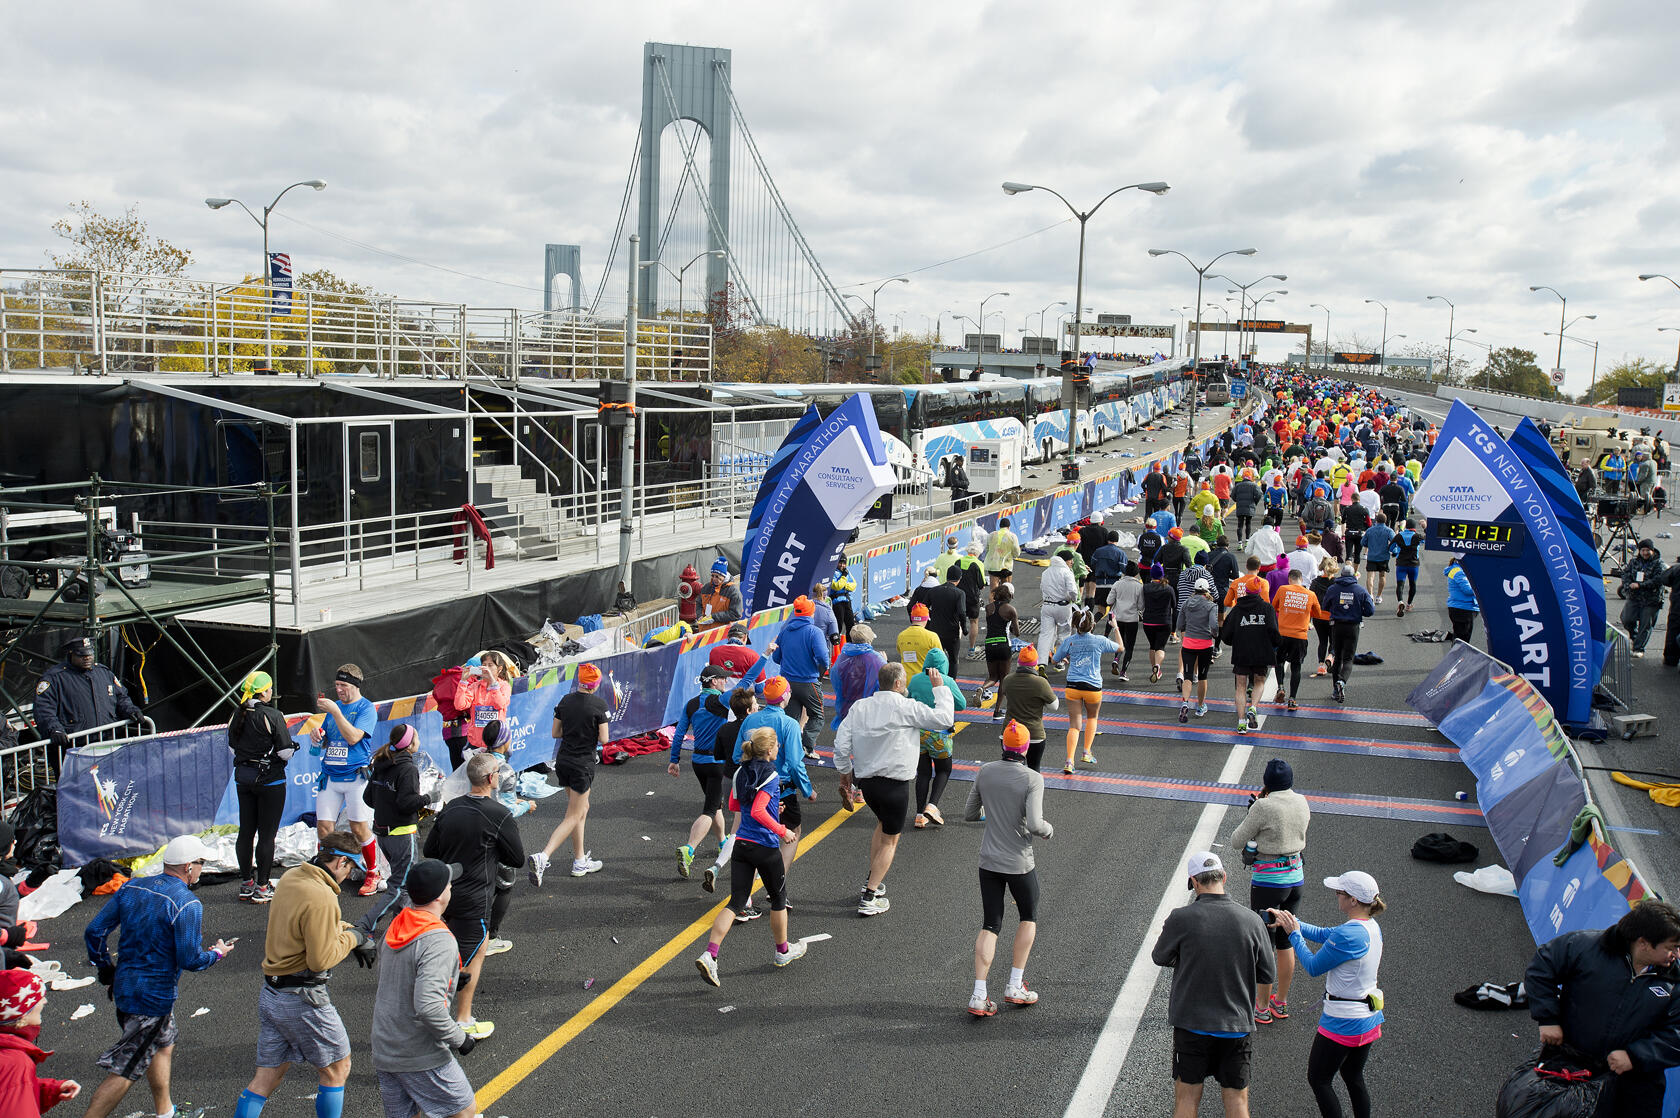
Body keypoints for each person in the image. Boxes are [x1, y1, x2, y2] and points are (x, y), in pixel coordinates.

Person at [81, 834, 235, 1118]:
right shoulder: (188, 904)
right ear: (188, 867)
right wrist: (217, 954)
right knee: (125, 1070)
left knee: (164, 1044)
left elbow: (95, 931)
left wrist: (105, 968)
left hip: (125, 987)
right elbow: (190, 960)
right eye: (201, 863)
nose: (203, 869)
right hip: (153, 999)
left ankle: (166, 1114)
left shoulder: (132, 887)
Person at [234, 833, 374, 1118]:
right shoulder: (322, 897)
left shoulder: (292, 877)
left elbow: (311, 924)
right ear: (341, 861)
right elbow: (320, 958)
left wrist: (349, 932)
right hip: (302, 998)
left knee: (267, 1077)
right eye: (350, 868)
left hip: (271, 995)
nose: (349, 876)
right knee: (338, 1068)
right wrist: (354, 939)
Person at [1525, 899, 1680, 1117]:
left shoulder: (1675, 981)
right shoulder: (1585, 946)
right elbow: (1542, 969)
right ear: (1644, 943)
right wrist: (1547, 1018)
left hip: (1633, 1083)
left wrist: (1635, 1057)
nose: (1677, 954)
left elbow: (1677, 1035)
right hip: (1571, 1064)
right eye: (1671, 948)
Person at [1151, 851, 1275, 1118]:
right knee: (1238, 1102)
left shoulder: (1181, 918)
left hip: (1192, 1024)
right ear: (1224, 877)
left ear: (1195, 882)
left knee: (1186, 1099)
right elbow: (1267, 972)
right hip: (1236, 1026)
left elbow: (1159, 956)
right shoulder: (1253, 921)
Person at [832, 662, 955, 917]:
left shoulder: (860, 707)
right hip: (895, 786)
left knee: (881, 825)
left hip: (867, 784)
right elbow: (944, 719)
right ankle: (869, 895)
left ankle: (872, 881)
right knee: (891, 840)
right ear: (898, 684)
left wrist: (846, 777)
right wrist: (939, 689)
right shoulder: (906, 707)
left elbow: (842, 745)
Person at [694, 727, 808, 987]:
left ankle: (710, 954)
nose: (778, 747)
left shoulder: (740, 771)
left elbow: (736, 806)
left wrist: (771, 806)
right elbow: (757, 811)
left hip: (742, 845)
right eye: (776, 745)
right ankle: (782, 951)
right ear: (769, 751)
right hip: (765, 847)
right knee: (778, 899)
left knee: (735, 902)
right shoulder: (771, 774)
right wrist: (782, 829)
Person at [1270, 872, 1387, 1118]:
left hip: (1343, 1022)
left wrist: (1293, 934)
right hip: (1368, 1017)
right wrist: (1291, 920)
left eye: (1339, 893)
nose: (1336, 895)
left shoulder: (1349, 934)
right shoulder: (1369, 926)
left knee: (1319, 1079)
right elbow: (1323, 934)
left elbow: (1313, 966)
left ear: (1353, 900)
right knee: (1353, 1076)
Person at [424, 753, 524, 1040]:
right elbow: (516, 858)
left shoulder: (451, 807)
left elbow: (431, 849)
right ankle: (462, 1020)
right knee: (471, 959)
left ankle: (441, 1016)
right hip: (475, 897)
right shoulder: (498, 814)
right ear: (492, 779)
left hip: (444, 895)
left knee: (445, 955)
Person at [370, 860, 478, 1118]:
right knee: (463, 1110)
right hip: (418, 1051)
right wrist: (459, 1039)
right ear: (441, 896)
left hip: (385, 1045)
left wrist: (449, 977)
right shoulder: (438, 940)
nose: (452, 886)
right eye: (449, 883)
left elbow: (396, 972)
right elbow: (429, 1008)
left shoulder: (398, 925)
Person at [964, 721, 1053, 1017]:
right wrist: (1048, 831)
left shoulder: (985, 771)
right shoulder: (1032, 778)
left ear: (1004, 745)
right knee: (1028, 916)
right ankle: (1015, 985)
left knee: (991, 923)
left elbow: (969, 813)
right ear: (1026, 748)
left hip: (988, 860)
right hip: (1019, 861)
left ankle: (979, 994)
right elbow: (1037, 823)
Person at [1229, 759, 1311, 1024]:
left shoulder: (1263, 806)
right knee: (1286, 940)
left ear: (1266, 783)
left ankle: (1261, 1006)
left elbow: (1236, 841)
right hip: (1295, 878)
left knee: (1265, 943)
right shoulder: (1302, 801)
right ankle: (1281, 1002)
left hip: (1268, 883)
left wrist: (1253, 813)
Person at [528, 663, 611, 886]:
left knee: (581, 809)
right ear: (595, 684)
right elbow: (604, 739)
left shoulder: (565, 701)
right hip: (582, 763)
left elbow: (556, 732)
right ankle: (543, 856)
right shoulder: (599, 705)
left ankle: (579, 860)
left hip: (563, 760)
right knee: (574, 814)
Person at [310, 664, 381, 895]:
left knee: (358, 828)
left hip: (355, 777)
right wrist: (317, 737)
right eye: (337, 685)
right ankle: (325, 870)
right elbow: (327, 740)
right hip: (330, 775)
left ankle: (373, 871)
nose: (338, 690)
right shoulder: (335, 708)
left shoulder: (366, 708)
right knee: (324, 827)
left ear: (355, 685)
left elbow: (352, 738)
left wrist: (336, 712)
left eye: (343, 685)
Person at [228, 671, 296, 905]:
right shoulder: (273, 715)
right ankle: (263, 887)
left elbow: (232, 747)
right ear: (264, 691)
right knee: (267, 835)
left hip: (243, 779)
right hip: (270, 781)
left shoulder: (238, 713)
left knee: (246, 831)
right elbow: (285, 751)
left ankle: (246, 883)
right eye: (269, 689)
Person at [357, 726, 432, 936]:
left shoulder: (382, 762)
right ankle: (365, 925)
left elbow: (368, 798)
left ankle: (401, 926)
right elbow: (407, 803)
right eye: (417, 737)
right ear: (410, 744)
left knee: (405, 883)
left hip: (382, 833)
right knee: (399, 886)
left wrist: (386, 805)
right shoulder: (408, 768)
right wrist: (427, 798)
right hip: (401, 833)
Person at [31, 635, 144, 760]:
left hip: (107, 740)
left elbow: (121, 698)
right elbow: (43, 709)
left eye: (90, 654)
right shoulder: (55, 678)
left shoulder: (103, 673)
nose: (87, 658)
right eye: (82, 655)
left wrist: (131, 711)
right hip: (74, 746)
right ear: (71, 655)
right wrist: (54, 729)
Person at [0, 968, 79, 1116]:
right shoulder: (15, 1064)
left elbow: (9, 1091)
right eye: (37, 999)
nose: (44, 1000)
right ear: (22, 1016)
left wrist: (50, 1089)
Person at [1053, 610, 1119, 773]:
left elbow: (1054, 659)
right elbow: (1121, 647)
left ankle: (1069, 761)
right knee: (1092, 718)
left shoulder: (1069, 641)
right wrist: (1115, 628)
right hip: (1093, 687)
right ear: (1093, 625)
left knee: (1074, 726)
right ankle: (1086, 752)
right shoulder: (1100, 641)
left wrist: (1065, 657)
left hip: (1073, 686)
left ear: (1075, 625)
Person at [910, 648, 968, 828]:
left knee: (923, 773)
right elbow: (962, 704)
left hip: (919, 733)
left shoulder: (915, 679)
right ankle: (932, 805)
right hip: (940, 734)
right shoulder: (948, 681)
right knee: (943, 770)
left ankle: (919, 814)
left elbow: (909, 698)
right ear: (944, 664)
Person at [768, 595, 829, 761]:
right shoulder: (814, 632)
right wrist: (821, 668)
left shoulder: (785, 631)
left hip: (787, 683)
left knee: (791, 719)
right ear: (811, 614)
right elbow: (823, 657)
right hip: (808, 682)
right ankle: (807, 747)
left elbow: (776, 657)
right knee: (817, 715)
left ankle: (790, 749)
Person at [1221, 585, 1279, 734]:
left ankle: (1241, 722)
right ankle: (1253, 707)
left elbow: (1226, 632)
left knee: (1240, 686)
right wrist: (1277, 643)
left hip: (1242, 651)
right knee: (1259, 681)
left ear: (1245, 591)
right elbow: (1273, 629)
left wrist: (1233, 641)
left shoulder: (1237, 608)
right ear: (1259, 591)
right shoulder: (1267, 608)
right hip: (1261, 651)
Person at [1272, 569, 1329, 710]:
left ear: (1289, 580)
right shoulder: (1310, 594)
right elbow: (1317, 613)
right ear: (1301, 580)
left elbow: (1274, 607)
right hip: (1299, 636)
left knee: (1279, 661)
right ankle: (1292, 699)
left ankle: (1280, 687)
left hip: (1282, 633)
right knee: (1296, 667)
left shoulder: (1283, 589)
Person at [996, 647, 1057, 772]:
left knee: (1012, 770)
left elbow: (1007, 694)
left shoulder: (1008, 679)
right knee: (1034, 770)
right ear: (1035, 664)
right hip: (1034, 734)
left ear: (1018, 662)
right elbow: (1054, 706)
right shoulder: (1040, 683)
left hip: (1009, 733)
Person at [1325, 564, 1375, 704]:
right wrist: (1359, 612)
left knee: (1338, 658)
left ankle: (1336, 690)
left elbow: (1325, 606)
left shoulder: (1333, 588)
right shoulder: (1360, 590)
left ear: (1341, 575)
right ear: (1353, 576)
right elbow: (1370, 611)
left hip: (1337, 626)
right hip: (1353, 627)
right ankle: (1342, 681)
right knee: (1348, 658)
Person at [1175, 579, 1219, 724]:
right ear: (1207, 591)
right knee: (1202, 677)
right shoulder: (1211, 605)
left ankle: (1185, 703)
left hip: (1188, 644)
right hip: (1205, 645)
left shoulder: (1186, 603)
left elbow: (1180, 624)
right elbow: (1213, 624)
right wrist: (1215, 633)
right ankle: (1200, 706)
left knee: (1188, 677)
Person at [831, 624, 886, 725]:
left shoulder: (842, 657)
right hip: (869, 711)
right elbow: (885, 682)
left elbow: (835, 678)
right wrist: (885, 663)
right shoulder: (876, 659)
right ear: (869, 640)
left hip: (846, 708)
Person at [1621, 539, 1665, 657]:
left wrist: (1640, 585)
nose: (1645, 553)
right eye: (1643, 550)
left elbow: (1658, 580)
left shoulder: (1659, 563)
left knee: (1645, 625)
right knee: (1627, 619)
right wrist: (1628, 585)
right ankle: (1634, 637)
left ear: (1652, 550)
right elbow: (1625, 574)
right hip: (1634, 597)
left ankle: (1638, 648)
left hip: (1651, 600)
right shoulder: (1634, 562)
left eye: (1647, 550)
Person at [1036, 552, 1079, 666]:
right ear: (1064, 561)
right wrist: (1073, 599)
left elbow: (1042, 588)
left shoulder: (1045, 572)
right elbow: (1073, 591)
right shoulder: (1066, 572)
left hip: (1047, 606)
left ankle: (1041, 662)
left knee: (1045, 635)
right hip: (1063, 607)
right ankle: (1059, 661)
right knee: (1064, 634)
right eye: (1070, 560)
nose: (1072, 562)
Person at [979, 584, 1019, 703]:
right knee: (1003, 679)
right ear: (1009, 596)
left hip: (989, 644)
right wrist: (1012, 626)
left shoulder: (988, 607)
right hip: (1003, 645)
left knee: (993, 677)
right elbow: (1017, 633)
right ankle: (997, 711)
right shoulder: (1010, 609)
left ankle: (982, 688)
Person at [1108, 561, 1143, 681]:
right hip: (1132, 619)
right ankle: (1123, 672)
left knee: (1119, 642)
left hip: (1118, 618)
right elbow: (1141, 606)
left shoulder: (1118, 584)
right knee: (1129, 646)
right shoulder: (1139, 586)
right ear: (1137, 573)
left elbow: (1109, 601)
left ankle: (1116, 659)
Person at [1140, 563, 1175, 683]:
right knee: (1160, 647)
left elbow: (1142, 603)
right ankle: (1158, 666)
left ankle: (1154, 669)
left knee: (1152, 646)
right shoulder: (1169, 588)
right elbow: (1174, 605)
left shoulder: (1145, 587)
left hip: (1148, 622)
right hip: (1164, 621)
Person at [708, 622, 765, 690]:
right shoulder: (752, 655)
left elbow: (711, 677)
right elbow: (760, 686)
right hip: (743, 698)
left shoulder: (714, 652)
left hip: (720, 697)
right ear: (744, 638)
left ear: (728, 638)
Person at [956, 542, 988, 657]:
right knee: (974, 622)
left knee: (958, 623)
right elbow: (982, 584)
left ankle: (954, 648)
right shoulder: (978, 563)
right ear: (978, 552)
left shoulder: (958, 561)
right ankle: (971, 648)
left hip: (958, 597)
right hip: (972, 598)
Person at [1389, 520, 1423, 617]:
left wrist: (1396, 552)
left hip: (1401, 564)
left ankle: (1400, 601)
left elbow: (1390, 547)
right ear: (1414, 528)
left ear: (1406, 527)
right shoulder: (1417, 536)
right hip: (1414, 564)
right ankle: (1409, 604)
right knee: (1413, 584)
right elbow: (1429, 539)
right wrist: (1425, 527)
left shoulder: (1399, 535)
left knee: (1400, 584)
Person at [1444, 556, 1481, 643]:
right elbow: (1467, 590)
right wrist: (1482, 586)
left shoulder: (1459, 569)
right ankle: (1457, 656)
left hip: (1463, 608)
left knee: (1460, 640)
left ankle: (1457, 656)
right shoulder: (1459, 571)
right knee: (1462, 642)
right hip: (1463, 609)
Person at [898, 603, 943, 672]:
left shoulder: (901, 635)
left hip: (905, 678)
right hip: (924, 678)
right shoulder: (932, 636)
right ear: (927, 618)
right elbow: (940, 658)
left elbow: (900, 651)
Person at [700, 557, 744, 625]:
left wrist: (714, 617)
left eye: (717, 576)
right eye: (712, 576)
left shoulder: (733, 592)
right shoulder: (707, 587)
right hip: (704, 629)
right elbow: (698, 602)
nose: (714, 579)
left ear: (724, 576)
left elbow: (736, 614)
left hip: (722, 632)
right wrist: (699, 615)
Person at [985, 517, 1021, 590]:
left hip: (993, 565)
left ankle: (993, 600)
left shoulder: (991, 535)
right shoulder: (1012, 536)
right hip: (1006, 565)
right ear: (1009, 527)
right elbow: (1016, 551)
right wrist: (1013, 556)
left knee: (993, 591)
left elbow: (987, 549)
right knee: (1006, 589)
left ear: (1000, 526)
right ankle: (1004, 601)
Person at [829, 563, 858, 647]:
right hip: (837, 602)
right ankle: (835, 648)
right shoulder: (833, 572)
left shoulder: (846, 571)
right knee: (838, 625)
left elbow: (854, 585)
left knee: (851, 624)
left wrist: (844, 585)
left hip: (846, 601)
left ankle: (851, 646)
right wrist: (844, 577)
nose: (842, 565)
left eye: (844, 563)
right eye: (840, 563)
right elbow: (836, 586)